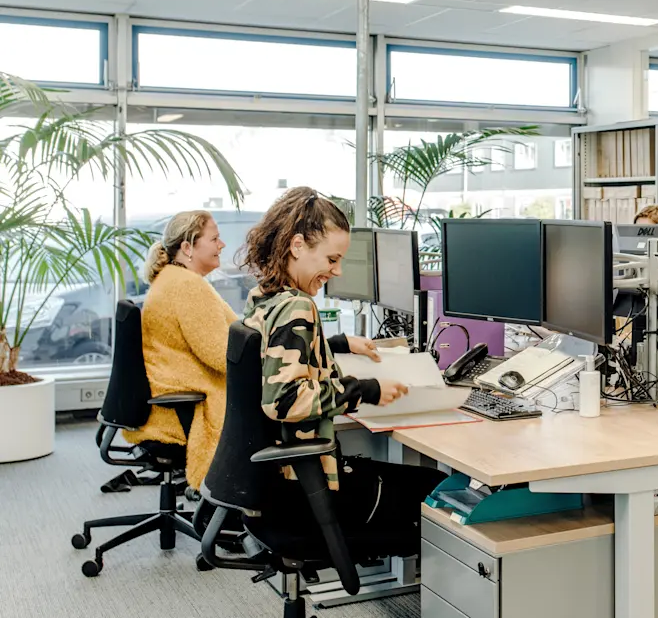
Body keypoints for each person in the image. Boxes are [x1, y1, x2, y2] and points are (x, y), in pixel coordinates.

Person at [240, 187, 446, 551]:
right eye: (332, 259)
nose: (336, 271)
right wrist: (366, 390)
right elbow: (283, 400)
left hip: (272, 485)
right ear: (297, 245)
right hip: (304, 492)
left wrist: (336, 344)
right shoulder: (298, 307)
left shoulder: (264, 297)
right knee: (434, 489)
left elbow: (272, 356)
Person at [122, 210, 239, 490]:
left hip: (164, 406)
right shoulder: (188, 286)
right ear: (187, 247)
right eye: (215, 239)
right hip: (179, 415)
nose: (222, 245)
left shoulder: (172, 279)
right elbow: (222, 355)